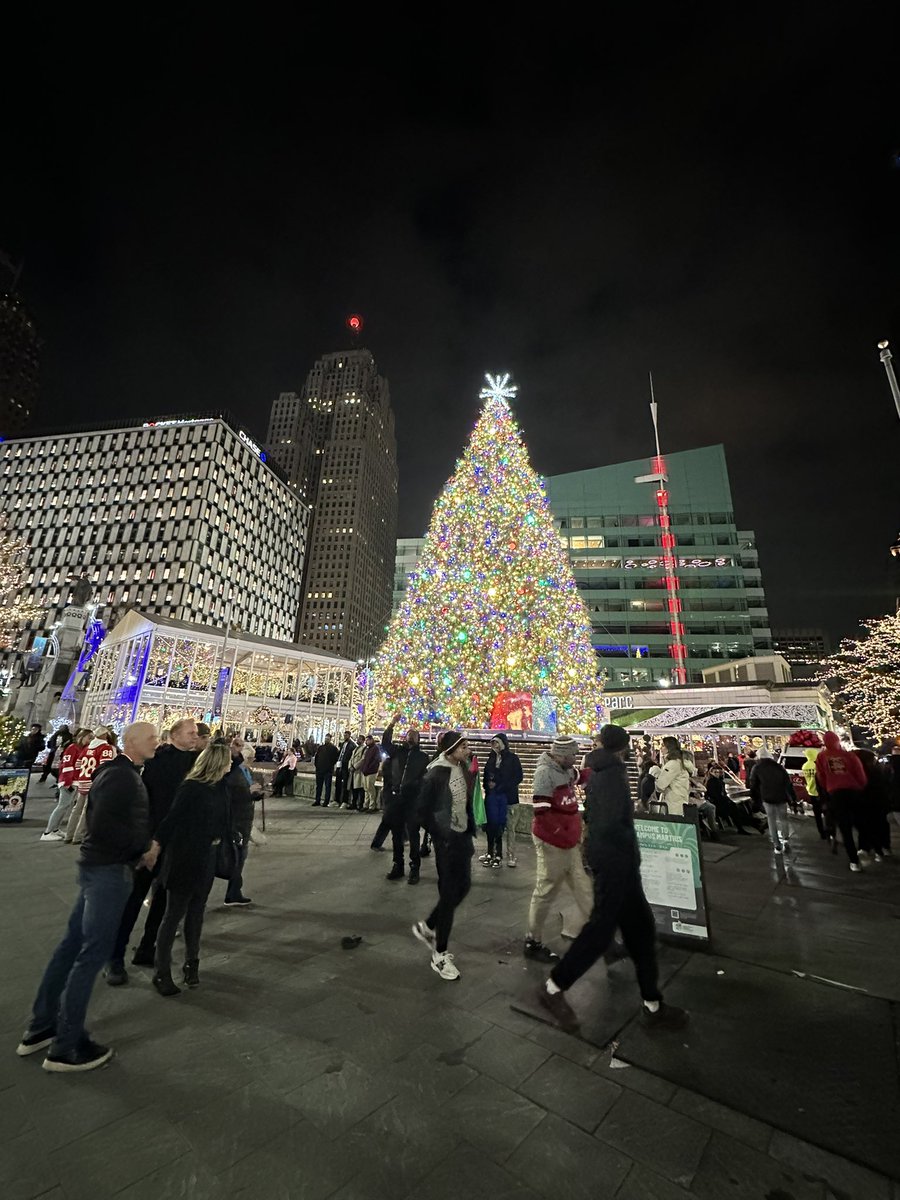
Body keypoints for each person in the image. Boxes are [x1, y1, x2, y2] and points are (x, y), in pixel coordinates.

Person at [16, 722, 160, 1071]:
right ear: (131, 741)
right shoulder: (123, 777)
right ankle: (67, 1045)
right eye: (151, 737)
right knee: (91, 955)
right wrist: (144, 848)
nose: (157, 742)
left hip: (98, 866)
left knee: (71, 946)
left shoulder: (118, 772)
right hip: (109, 871)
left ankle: (41, 1025)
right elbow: (108, 826)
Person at [536, 723, 688, 1034]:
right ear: (622, 748)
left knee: (641, 930)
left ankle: (652, 1003)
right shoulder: (610, 776)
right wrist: (618, 855)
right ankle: (553, 987)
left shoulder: (604, 771)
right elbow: (607, 824)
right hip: (615, 864)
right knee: (600, 932)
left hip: (620, 865)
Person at [105, 716, 200, 984]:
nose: (195, 736)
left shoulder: (196, 761)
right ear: (175, 734)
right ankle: (114, 957)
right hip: (149, 840)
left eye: (196, 733)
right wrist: (146, 840)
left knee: (163, 900)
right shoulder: (156, 760)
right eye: (191, 733)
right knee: (133, 899)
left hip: (176, 843)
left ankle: (147, 947)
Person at [150, 742, 232, 995]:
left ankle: (191, 963)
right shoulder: (191, 788)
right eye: (228, 760)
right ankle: (162, 971)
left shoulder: (220, 786)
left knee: (197, 911)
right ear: (218, 763)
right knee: (174, 914)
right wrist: (156, 845)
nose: (231, 764)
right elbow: (172, 819)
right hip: (186, 856)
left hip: (208, 855)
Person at [412, 730, 475, 981]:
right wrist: (441, 833)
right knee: (448, 896)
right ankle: (439, 954)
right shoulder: (436, 774)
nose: (468, 750)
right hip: (447, 842)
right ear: (451, 750)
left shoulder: (461, 767)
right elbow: (421, 811)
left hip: (462, 837)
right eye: (463, 747)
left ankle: (428, 925)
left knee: (464, 886)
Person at [524, 736, 593, 963]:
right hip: (553, 843)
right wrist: (559, 834)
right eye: (573, 755)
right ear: (561, 755)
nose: (575, 759)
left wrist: (600, 766)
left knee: (582, 885)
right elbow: (541, 812)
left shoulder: (566, 770)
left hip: (569, 842)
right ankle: (533, 940)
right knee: (546, 889)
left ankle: (599, 932)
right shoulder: (545, 774)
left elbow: (580, 776)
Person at [382, 714, 430, 884]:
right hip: (396, 799)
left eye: (415, 735)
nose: (411, 736)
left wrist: (417, 792)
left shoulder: (423, 757)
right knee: (396, 834)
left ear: (418, 739)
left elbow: (425, 779)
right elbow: (385, 743)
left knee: (413, 834)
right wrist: (392, 723)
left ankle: (414, 867)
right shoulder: (397, 751)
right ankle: (398, 865)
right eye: (409, 733)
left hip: (412, 801)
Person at [816, 731, 868, 871]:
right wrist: (860, 786)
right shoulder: (849, 756)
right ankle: (863, 848)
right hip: (853, 792)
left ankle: (854, 861)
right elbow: (860, 773)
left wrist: (829, 787)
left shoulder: (822, 757)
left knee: (845, 829)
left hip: (836, 795)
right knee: (861, 822)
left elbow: (821, 777)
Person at [224, 735, 262, 905]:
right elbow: (233, 794)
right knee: (237, 856)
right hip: (237, 818)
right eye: (251, 758)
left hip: (245, 817)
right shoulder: (235, 774)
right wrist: (249, 791)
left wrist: (255, 794)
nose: (252, 761)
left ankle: (234, 891)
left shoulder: (246, 772)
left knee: (241, 856)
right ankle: (233, 891)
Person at [65, 727, 117, 845]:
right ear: (105, 735)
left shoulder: (87, 748)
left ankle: (69, 834)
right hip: (94, 782)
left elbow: (78, 764)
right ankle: (79, 836)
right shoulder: (105, 748)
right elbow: (105, 766)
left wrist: (80, 777)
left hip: (83, 780)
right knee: (87, 810)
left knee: (76, 809)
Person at [482, 732, 524, 868]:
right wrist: (488, 786)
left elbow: (518, 777)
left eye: (497, 743)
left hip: (509, 798)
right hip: (494, 797)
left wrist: (502, 787)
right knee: (493, 826)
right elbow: (487, 774)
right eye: (493, 743)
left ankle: (511, 855)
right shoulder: (491, 758)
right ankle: (492, 852)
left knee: (510, 828)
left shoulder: (512, 758)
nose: (495, 746)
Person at [40, 728, 90, 842]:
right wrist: (67, 782)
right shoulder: (73, 748)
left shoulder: (81, 748)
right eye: (89, 737)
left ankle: (55, 829)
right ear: (82, 737)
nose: (90, 740)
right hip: (69, 781)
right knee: (62, 806)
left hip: (74, 781)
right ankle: (48, 831)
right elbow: (67, 765)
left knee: (66, 806)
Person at [748, 747, 795, 853]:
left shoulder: (757, 767)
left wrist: (754, 797)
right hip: (781, 797)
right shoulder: (779, 767)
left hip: (767, 798)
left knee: (771, 820)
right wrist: (792, 798)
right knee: (783, 819)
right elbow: (787, 783)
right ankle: (786, 839)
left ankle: (777, 845)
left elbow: (753, 783)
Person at [854, 748, 890, 861]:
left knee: (865, 826)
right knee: (879, 825)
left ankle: (866, 848)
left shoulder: (857, 772)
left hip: (863, 803)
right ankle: (881, 849)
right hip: (877, 803)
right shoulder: (877, 771)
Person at [653, 736, 695, 811]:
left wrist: (655, 774)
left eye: (663, 745)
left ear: (669, 747)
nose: (660, 748)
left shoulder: (673, 764)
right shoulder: (679, 763)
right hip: (678, 802)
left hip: (672, 805)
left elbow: (660, 786)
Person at [801, 749, 828, 840]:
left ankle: (821, 832)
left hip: (812, 792)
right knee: (826, 812)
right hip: (822, 792)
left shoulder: (805, 766)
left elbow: (807, 779)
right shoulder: (819, 765)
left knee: (817, 814)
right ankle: (829, 830)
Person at [312, 734, 339, 806]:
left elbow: (335, 759)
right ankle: (317, 800)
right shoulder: (321, 748)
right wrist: (317, 766)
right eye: (325, 738)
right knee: (319, 786)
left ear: (330, 739)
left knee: (327, 786)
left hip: (328, 770)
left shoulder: (334, 748)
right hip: (319, 769)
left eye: (327, 739)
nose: (326, 740)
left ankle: (326, 801)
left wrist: (330, 765)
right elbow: (317, 757)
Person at [334, 730, 357, 809]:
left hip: (346, 766)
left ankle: (345, 801)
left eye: (346, 735)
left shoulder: (352, 745)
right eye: (344, 735)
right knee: (337, 783)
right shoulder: (343, 744)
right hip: (339, 765)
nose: (345, 737)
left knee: (345, 784)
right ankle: (336, 800)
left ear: (349, 736)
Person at [349, 738, 367, 812]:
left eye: (359, 739)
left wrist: (355, 767)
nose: (357, 740)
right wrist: (350, 766)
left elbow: (363, 760)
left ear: (362, 740)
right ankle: (353, 803)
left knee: (360, 788)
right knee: (354, 788)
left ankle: (360, 804)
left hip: (359, 771)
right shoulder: (356, 748)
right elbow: (351, 758)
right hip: (353, 771)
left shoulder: (364, 748)